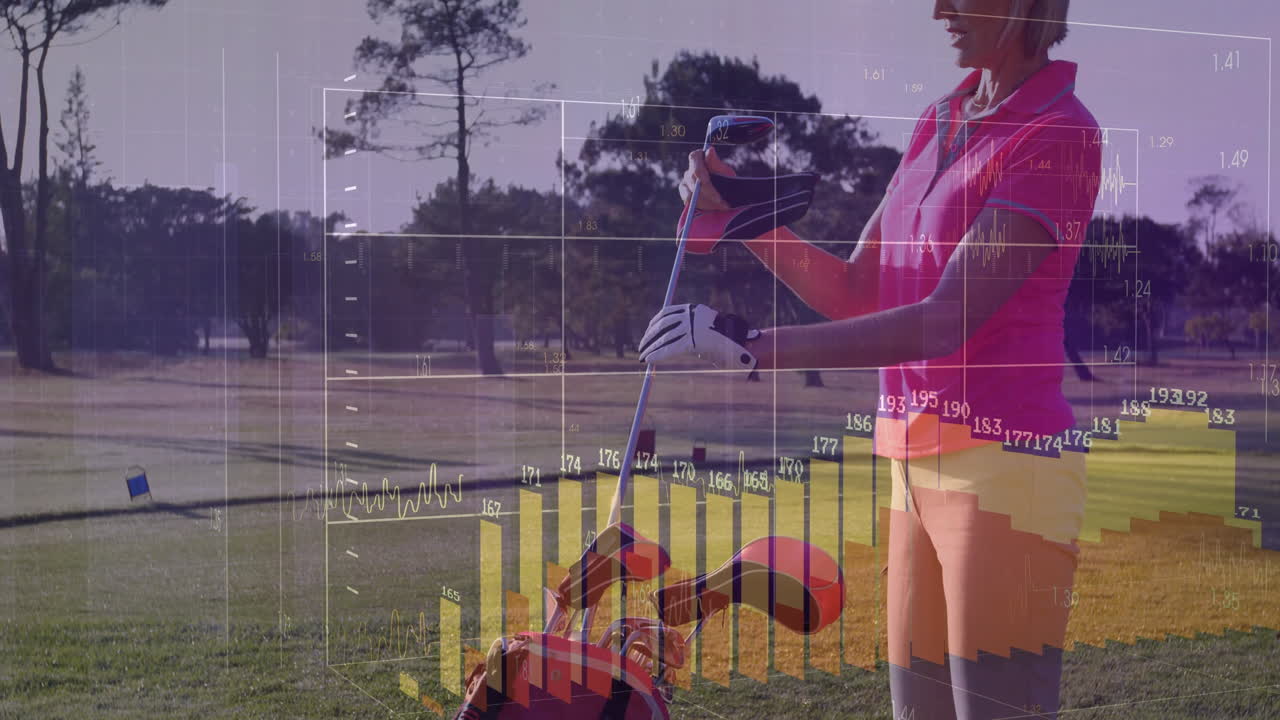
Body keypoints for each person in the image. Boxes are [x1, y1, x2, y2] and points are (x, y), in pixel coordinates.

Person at [637, 1, 1099, 718]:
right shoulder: (936, 122)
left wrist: (748, 348)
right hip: (912, 468)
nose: (940, 8)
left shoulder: (1060, 134)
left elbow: (945, 320)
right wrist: (739, 220)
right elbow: (855, 289)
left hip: (1011, 470)